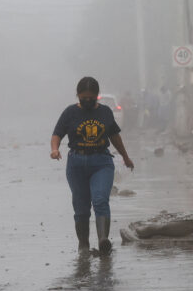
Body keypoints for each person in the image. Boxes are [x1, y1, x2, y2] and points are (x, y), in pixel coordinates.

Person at [51, 77, 135, 254]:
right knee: (81, 206)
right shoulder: (70, 113)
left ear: (97, 96)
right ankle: (83, 245)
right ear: (78, 96)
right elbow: (57, 134)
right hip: (76, 164)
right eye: (84, 97)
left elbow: (115, 136)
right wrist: (54, 149)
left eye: (91, 97)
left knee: (100, 200)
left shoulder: (105, 112)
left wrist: (126, 157)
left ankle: (103, 239)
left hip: (101, 162)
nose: (87, 100)